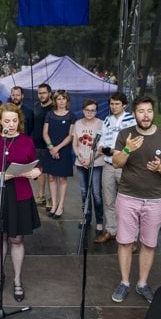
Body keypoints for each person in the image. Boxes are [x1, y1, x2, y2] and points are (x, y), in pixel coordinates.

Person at [110, 96, 161, 304]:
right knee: (125, 242)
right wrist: (128, 149)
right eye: (141, 111)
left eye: (149, 111)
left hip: (154, 201)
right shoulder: (125, 135)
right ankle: (124, 282)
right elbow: (116, 163)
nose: (145, 115)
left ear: (153, 112)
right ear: (135, 114)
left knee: (148, 244)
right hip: (127, 198)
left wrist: (160, 168)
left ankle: (142, 283)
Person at [0, 103, 41, 302]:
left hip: (20, 194)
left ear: (19, 121)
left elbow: (36, 165)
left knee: (17, 239)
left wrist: (36, 172)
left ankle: (18, 280)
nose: (11, 125)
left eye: (14, 121)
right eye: (7, 121)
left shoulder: (27, 141)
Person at [95, 92, 137, 244]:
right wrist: (100, 148)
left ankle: (131, 238)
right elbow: (101, 140)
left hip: (125, 166)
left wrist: (113, 150)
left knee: (127, 202)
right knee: (109, 201)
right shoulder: (107, 119)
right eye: (111, 104)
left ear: (124, 105)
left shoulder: (131, 121)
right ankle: (111, 230)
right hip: (108, 165)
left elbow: (133, 145)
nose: (113, 107)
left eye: (117, 104)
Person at [42, 90, 76, 219]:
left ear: (67, 101)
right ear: (55, 100)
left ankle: (61, 205)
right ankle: (54, 204)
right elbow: (45, 133)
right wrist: (51, 148)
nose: (61, 101)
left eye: (64, 99)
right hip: (50, 149)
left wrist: (57, 149)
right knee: (51, 178)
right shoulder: (49, 114)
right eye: (59, 99)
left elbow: (70, 136)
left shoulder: (71, 116)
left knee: (62, 179)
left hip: (64, 150)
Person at [72, 99, 104, 235]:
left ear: (96, 111)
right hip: (81, 163)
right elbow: (74, 144)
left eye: (92, 110)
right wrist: (80, 158)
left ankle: (99, 222)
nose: (89, 112)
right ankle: (86, 218)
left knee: (96, 193)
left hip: (96, 163)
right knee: (84, 192)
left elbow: (101, 147)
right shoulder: (77, 124)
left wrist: (90, 159)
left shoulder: (101, 124)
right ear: (83, 110)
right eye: (87, 110)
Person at [32, 83, 52, 209]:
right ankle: (41, 196)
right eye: (39, 93)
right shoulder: (36, 106)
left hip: (49, 146)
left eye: (44, 93)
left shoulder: (54, 108)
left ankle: (52, 198)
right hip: (37, 145)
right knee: (39, 172)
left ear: (49, 93)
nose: (41, 95)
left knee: (50, 174)